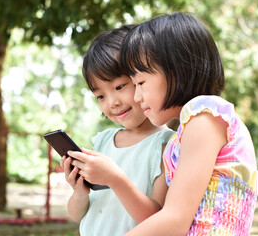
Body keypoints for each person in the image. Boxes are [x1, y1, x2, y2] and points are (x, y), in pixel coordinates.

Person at [120, 12, 257, 235]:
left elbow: (175, 219)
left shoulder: (205, 114)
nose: (136, 97)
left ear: (178, 70)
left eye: (141, 82)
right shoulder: (188, 129)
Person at [60, 25, 175, 235]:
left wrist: (113, 178)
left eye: (119, 87)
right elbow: (77, 215)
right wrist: (80, 191)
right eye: (100, 96)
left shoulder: (166, 145)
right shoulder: (103, 141)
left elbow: (157, 220)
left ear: (141, 79)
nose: (111, 102)